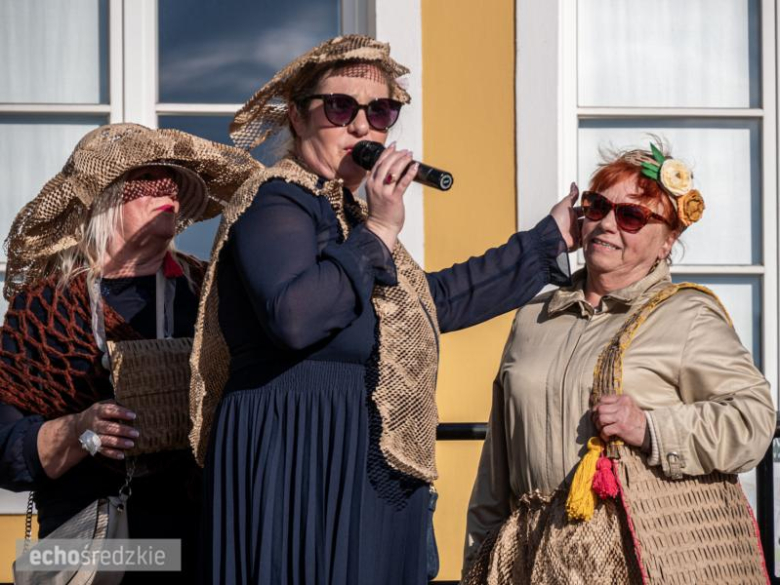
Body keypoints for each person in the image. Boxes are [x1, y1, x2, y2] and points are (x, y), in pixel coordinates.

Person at [188, 34, 580, 585]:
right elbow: (295, 316)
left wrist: (548, 242)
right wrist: (380, 229)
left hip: (364, 461)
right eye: (340, 107)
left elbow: (434, 300)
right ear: (298, 120)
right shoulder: (277, 200)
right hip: (301, 455)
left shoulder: (348, 217)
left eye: (381, 111)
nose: (362, 125)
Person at [461, 142, 775, 583]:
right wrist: (477, 562)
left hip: (642, 554)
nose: (607, 223)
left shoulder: (686, 316)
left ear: (667, 241)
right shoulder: (534, 317)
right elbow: (497, 469)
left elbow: (754, 419)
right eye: (597, 206)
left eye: (631, 216)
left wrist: (652, 429)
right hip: (534, 559)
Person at [0, 123, 258, 583]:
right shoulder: (44, 309)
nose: (169, 193)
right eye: (149, 184)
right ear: (103, 201)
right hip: (82, 540)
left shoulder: (208, 295)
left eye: (174, 184)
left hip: (193, 535)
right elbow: (7, 453)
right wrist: (81, 428)